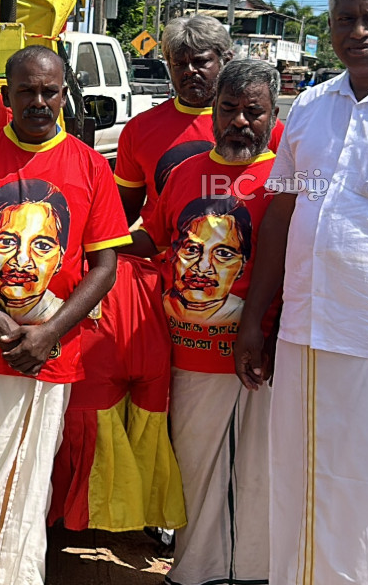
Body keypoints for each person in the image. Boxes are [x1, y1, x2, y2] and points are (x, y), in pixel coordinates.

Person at [0, 46, 129, 585]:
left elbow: (105, 266)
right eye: (27, 91)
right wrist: (3, 326)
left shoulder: (91, 166)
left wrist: (48, 333)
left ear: (63, 95)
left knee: (26, 491)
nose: (39, 102)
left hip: (49, 359)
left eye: (49, 91)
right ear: (6, 97)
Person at [236, 0, 368, 585]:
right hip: (303, 330)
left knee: (366, 490)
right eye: (345, 19)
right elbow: (280, 216)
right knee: (297, 480)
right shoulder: (310, 107)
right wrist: (256, 321)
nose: (359, 32)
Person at [124, 58, 280, 585]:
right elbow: (154, 238)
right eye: (229, 108)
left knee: (256, 474)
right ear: (213, 111)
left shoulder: (286, 179)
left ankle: (251, 574)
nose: (240, 122)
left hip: (260, 359)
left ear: (273, 115)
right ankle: (194, 572)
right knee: (192, 470)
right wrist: (97, 244)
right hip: (187, 356)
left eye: (253, 112)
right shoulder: (183, 172)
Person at [114, 14, 285, 224]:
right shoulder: (139, 129)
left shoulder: (264, 129)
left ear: (226, 60)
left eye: (200, 61)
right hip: (159, 244)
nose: (190, 71)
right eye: (179, 64)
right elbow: (123, 212)